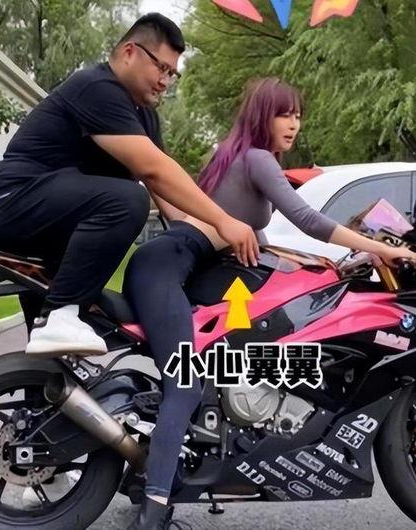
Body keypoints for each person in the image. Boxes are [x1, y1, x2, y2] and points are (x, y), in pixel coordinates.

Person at [122, 77, 416, 529]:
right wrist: (379, 248)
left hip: (184, 267)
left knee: (223, 361)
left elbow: (257, 240)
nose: (294, 124)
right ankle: (153, 511)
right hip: (166, 266)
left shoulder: (234, 156)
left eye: (298, 115)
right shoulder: (256, 158)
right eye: (284, 114)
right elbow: (306, 218)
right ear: (263, 116)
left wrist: (344, 261)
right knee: (184, 383)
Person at [0, 13, 259, 356]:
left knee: (66, 351)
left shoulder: (143, 115)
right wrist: (223, 220)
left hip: (56, 226)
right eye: (161, 68)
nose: (165, 81)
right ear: (130, 52)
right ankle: (58, 315)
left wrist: (208, 239)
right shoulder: (96, 88)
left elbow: (168, 195)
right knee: (128, 199)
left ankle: (53, 362)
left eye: (173, 74)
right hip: (15, 203)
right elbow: (153, 170)